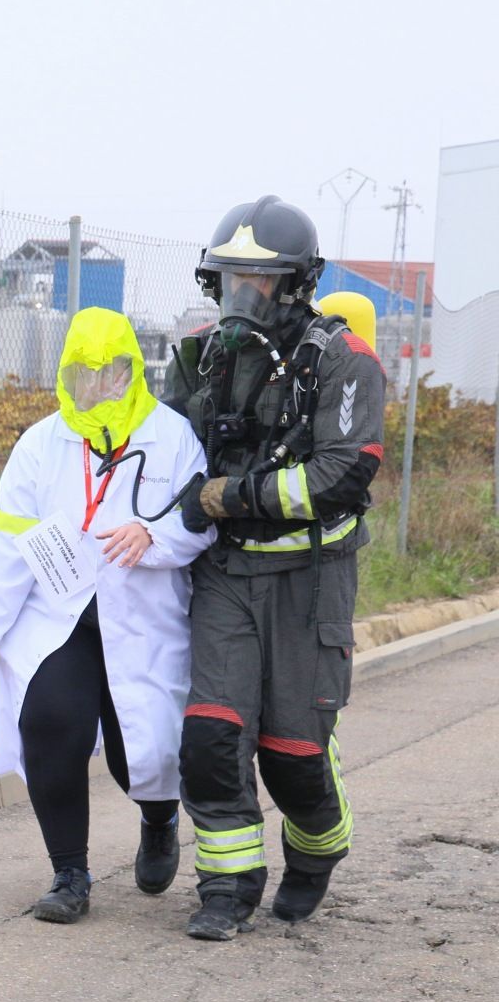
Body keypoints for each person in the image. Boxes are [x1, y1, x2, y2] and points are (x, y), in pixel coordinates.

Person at [166, 196, 386, 940]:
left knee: (293, 754)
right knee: (211, 736)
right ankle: (226, 886)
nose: (243, 296)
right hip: (225, 578)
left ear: (298, 283)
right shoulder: (201, 356)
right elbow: (170, 462)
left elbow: (342, 475)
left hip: (310, 581)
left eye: (260, 281)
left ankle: (318, 845)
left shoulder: (345, 361)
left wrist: (236, 496)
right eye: (229, 279)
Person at [0, 308, 212, 922]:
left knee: (138, 748)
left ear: (130, 370)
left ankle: (158, 817)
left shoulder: (171, 436)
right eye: (81, 374)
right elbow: (12, 539)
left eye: (108, 373)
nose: (95, 387)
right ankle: (69, 873)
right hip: (58, 614)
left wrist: (154, 537)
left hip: (141, 613)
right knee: (49, 722)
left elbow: (200, 520)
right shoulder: (42, 443)